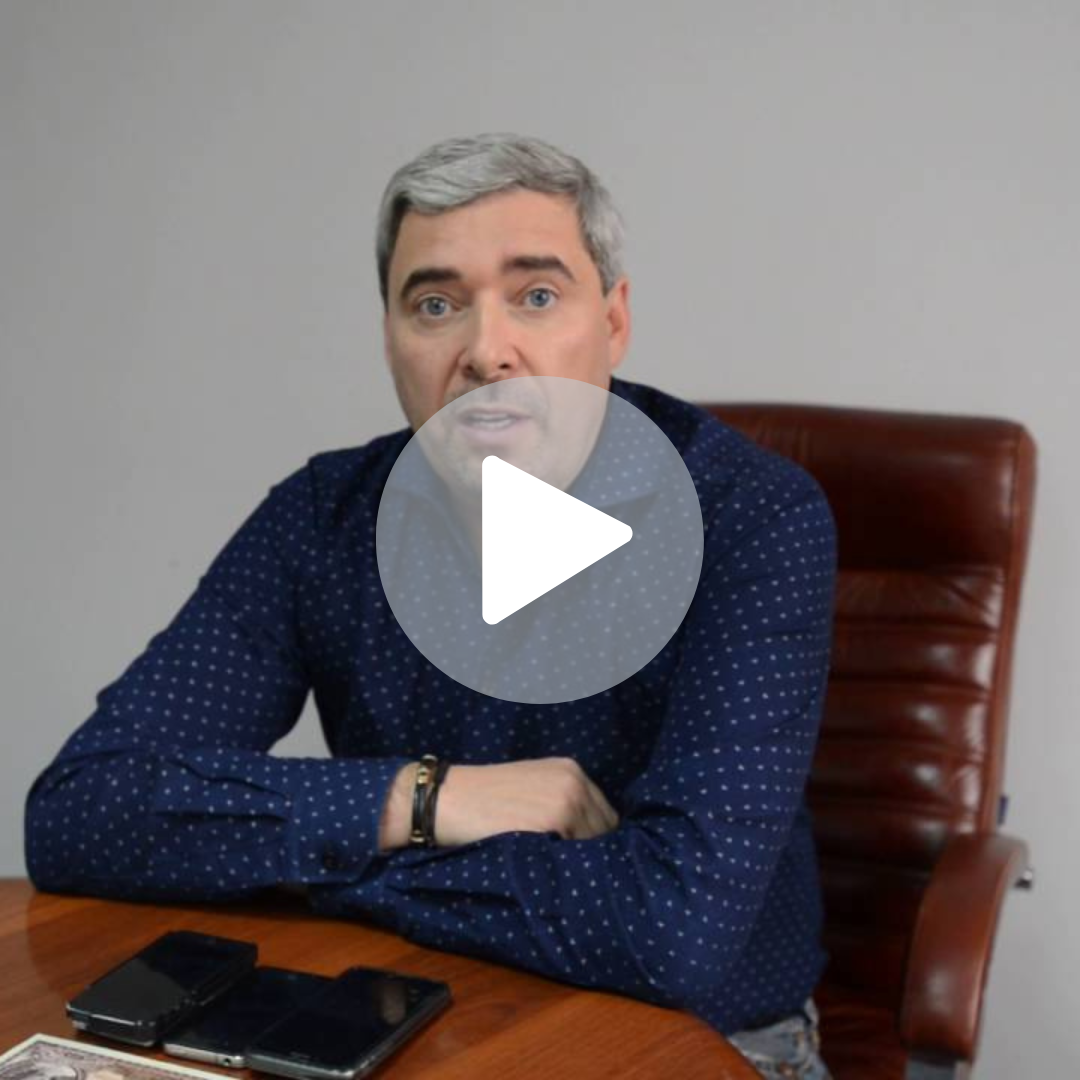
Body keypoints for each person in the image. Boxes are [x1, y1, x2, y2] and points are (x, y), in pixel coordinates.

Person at [25, 133, 837, 1080]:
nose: (487, 352)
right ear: (390, 339)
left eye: (538, 296)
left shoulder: (751, 518)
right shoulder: (322, 518)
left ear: (614, 322)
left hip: (695, 1045)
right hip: (401, 1022)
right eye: (436, 305)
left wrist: (323, 856)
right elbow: (81, 814)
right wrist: (426, 797)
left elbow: (669, 933)